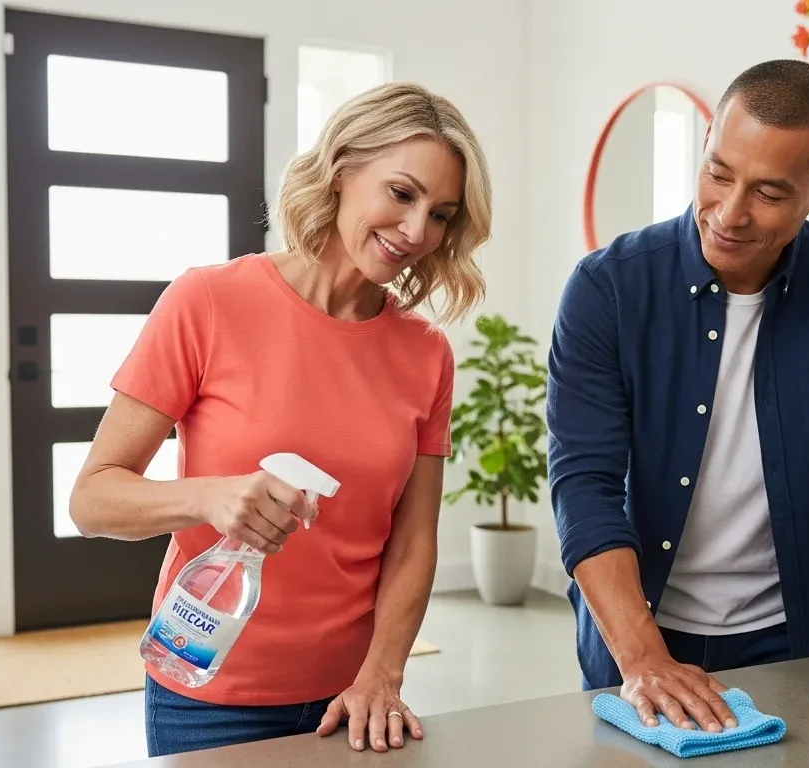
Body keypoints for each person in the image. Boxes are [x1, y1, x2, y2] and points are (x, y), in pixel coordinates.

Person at [69, 81, 492, 757]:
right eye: (402, 193)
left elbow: (413, 541)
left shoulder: (425, 354)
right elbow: (92, 499)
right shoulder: (207, 301)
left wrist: (382, 673)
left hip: (352, 702)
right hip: (207, 691)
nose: (417, 232)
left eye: (441, 215)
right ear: (342, 169)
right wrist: (211, 496)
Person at [546, 59, 809, 734]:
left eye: (769, 192)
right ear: (706, 141)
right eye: (718, 173)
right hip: (635, 639)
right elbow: (583, 484)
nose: (729, 214)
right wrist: (643, 657)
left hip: (791, 645)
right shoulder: (606, 288)